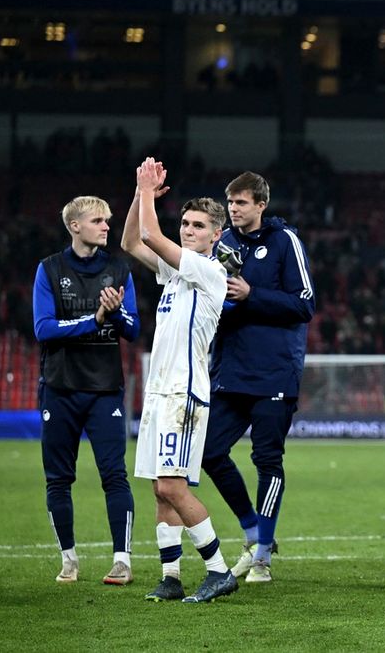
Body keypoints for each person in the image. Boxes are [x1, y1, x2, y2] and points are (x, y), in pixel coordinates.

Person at [121, 157, 237, 603]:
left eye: (198, 226)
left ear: (216, 235)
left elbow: (152, 235)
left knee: (172, 486)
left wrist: (147, 192)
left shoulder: (210, 272)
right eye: (185, 223)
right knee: (159, 488)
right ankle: (170, 576)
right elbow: (132, 241)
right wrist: (140, 195)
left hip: (183, 394)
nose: (189, 230)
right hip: (159, 391)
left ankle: (219, 570)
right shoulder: (175, 273)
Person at [202, 172, 315, 584]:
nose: (233, 209)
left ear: (261, 204)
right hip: (230, 371)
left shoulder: (285, 242)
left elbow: (305, 304)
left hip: (274, 373)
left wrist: (252, 295)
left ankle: (263, 553)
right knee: (208, 452)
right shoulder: (222, 245)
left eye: (241, 202)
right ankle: (252, 530)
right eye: (230, 202)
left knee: (267, 460)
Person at [33, 195, 140, 585]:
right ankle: (69, 560)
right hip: (60, 388)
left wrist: (116, 313)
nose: (106, 226)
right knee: (59, 479)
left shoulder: (119, 268)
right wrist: (94, 319)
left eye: (107, 220)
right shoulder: (49, 269)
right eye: (98, 220)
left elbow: (133, 329)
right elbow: (44, 329)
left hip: (104, 389)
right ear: (74, 226)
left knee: (114, 475)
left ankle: (122, 561)